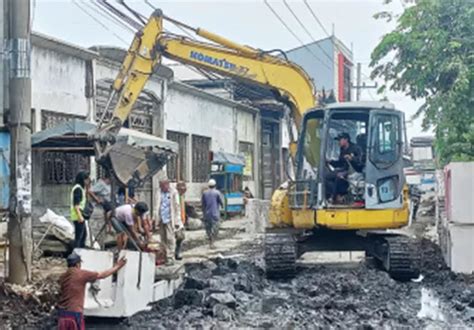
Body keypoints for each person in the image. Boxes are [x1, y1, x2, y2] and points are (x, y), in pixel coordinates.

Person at [57, 252, 126, 330]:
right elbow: (102, 275)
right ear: (78, 264)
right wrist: (118, 266)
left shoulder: (63, 276)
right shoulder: (81, 274)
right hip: (74, 313)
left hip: (62, 315)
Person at [326, 132, 363, 203]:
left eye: (340, 140)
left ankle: (334, 197)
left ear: (346, 140)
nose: (338, 142)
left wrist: (352, 159)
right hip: (345, 169)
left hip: (355, 171)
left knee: (338, 176)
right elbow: (340, 163)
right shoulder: (342, 150)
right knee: (327, 177)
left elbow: (361, 161)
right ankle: (337, 195)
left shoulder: (356, 148)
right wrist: (330, 161)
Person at [154, 179, 182, 265]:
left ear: (167, 184)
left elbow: (177, 207)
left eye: (162, 185)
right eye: (160, 185)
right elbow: (156, 206)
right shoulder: (158, 192)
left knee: (170, 238)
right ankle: (165, 256)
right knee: (163, 239)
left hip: (170, 218)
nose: (161, 187)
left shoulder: (174, 192)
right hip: (161, 218)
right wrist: (155, 219)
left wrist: (177, 221)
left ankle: (170, 257)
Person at [70, 171, 91, 248]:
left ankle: (80, 252)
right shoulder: (78, 189)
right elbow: (76, 205)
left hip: (79, 215)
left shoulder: (81, 188)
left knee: (83, 236)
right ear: (83, 180)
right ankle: (76, 254)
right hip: (78, 216)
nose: (87, 181)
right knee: (79, 237)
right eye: (86, 179)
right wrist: (80, 216)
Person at [201, 179, 223, 249]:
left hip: (207, 214)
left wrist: (203, 212)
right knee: (215, 228)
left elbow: (203, 204)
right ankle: (212, 242)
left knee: (208, 228)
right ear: (215, 185)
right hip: (215, 214)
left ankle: (210, 241)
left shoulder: (205, 193)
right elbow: (221, 202)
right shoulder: (217, 193)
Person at [175, 181, 187, 260]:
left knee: (181, 238)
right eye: (183, 187)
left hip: (181, 221)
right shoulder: (175, 196)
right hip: (176, 221)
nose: (185, 189)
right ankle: (176, 254)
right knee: (178, 238)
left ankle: (177, 253)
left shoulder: (182, 196)